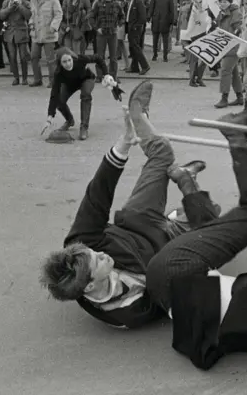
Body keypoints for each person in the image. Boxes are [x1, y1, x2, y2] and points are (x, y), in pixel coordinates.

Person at [40, 82, 219, 329]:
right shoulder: (130, 311)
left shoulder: (81, 244)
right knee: (212, 218)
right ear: (90, 286)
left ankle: (139, 119)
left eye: (95, 252)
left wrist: (123, 145)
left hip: (139, 220)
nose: (101, 253)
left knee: (163, 152)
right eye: (99, 260)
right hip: (173, 248)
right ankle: (185, 181)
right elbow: (178, 299)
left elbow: (98, 194)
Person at [43, 47, 110, 141]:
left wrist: (106, 74)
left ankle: (84, 127)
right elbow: (54, 94)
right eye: (64, 62)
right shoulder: (58, 73)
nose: (68, 64)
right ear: (60, 63)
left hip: (86, 79)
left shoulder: (80, 59)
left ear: (72, 58)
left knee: (85, 94)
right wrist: (49, 117)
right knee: (59, 101)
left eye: (69, 60)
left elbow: (98, 58)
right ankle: (69, 120)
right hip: (70, 84)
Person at [29, 0, 63, 88]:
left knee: (51, 60)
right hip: (36, 34)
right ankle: (37, 79)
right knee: (34, 57)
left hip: (49, 33)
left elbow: (59, 14)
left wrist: (53, 27)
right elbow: (32, 15)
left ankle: (53, 81)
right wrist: (30, 23)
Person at [214, 0, 244, 108]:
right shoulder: (221, 13)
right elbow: (218, 27)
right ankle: (240, 96)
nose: (222, 4)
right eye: (221, 2)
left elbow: (239, 27)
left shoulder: (235, 13)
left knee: (225, 71)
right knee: (234, 72)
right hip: (225, 47)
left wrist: (237, 31)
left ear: (230, 2)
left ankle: (224, 98)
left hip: (233, 46)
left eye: (225, 2)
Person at [88, 0, 123, 82]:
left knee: (113, 57)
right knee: (100, 56)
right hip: (101, 34)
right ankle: (100, 76)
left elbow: (122, 16)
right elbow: (91, 17)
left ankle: (113, 76)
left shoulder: (117, 5)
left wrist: (119, 25)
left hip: (113, 34)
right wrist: (96, 28)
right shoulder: (98, 5)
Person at [0, 0, 32, 85]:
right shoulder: (6, 2)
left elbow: (29, 15)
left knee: (23, 57)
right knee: (12, 57)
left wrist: (20, 6)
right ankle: (16, 77)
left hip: (21, 32)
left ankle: (24, 78)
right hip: (9, 33)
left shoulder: (25, 2)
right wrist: (10, 8)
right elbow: (0, 16)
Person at [124, 0, 150, 75]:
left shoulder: (138, 1)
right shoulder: (129, 1)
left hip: (136, 29)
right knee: (133, 48)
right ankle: (134, 67)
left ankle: (145, 66)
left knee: (136, 47)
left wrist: (136, 26)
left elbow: (143, 17)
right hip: (130, 27)